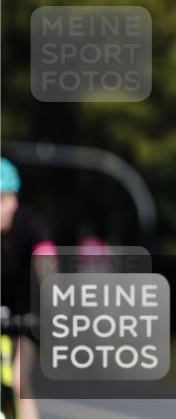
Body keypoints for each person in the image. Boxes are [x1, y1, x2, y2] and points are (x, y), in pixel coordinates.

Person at [0, 158, 57, 419]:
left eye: (1, 199)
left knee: (20, 383)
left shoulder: (30, 221)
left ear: (14, 199)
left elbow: (45, 258)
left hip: (26, 315)